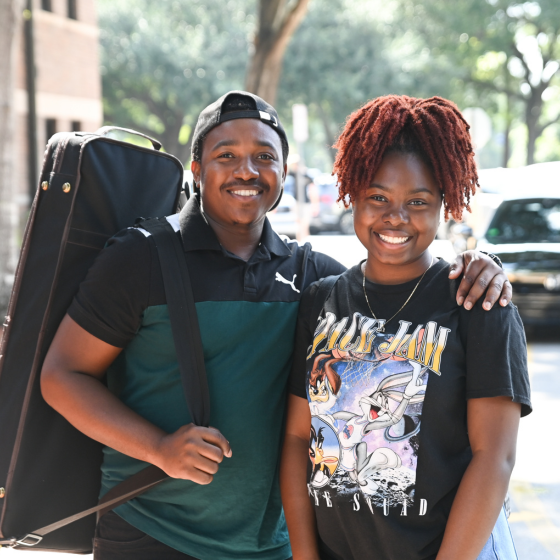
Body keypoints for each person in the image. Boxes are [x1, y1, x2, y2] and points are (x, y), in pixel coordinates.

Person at [41, 91, 512, 560]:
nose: (247, 170)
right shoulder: (140, 258)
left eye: (264, 156)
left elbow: (397, 271)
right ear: (197, 170)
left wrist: (482, 264)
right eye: (226, 155)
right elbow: (62, 376)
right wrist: (159, 448)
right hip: (154, 532)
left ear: (284, 172)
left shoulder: (313, 279)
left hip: (272, 546)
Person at [280, 95, 531, 560]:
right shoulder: (321, 299)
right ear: (352, 194)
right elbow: (298, 438)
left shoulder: (478, 304)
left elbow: (494, 459)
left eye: (418, 201)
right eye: (378, 197)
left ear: (444, 205)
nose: (396, 217)